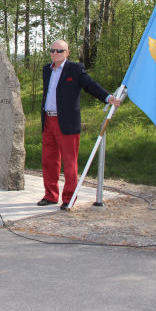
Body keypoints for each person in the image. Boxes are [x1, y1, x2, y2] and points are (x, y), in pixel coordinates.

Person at [38, 39, 121, 209]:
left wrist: (107, 97)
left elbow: (90, 85)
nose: (55, 53)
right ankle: (50, 195)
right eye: (52, 50)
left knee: (69, 162)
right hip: (48, 120)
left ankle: (69, 197)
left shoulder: (74, 69)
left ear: (67, 53)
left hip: (67, 122)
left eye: (59, 51)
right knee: (49, 160)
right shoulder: (47, 69)